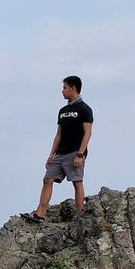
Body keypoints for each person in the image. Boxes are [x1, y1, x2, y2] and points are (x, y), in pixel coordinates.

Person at [23, 75, 94, 221]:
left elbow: (88, 133)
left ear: (73, 88)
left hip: (75, 152)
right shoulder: (62, 111)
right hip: (60, 153)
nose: (62, 91)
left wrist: (80, 154)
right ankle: (40, 213)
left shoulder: (85, 109)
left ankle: (79, 215)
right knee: (47, 179)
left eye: (64, 88)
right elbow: (59, 134)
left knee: (77, 181)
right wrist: (51, 154)